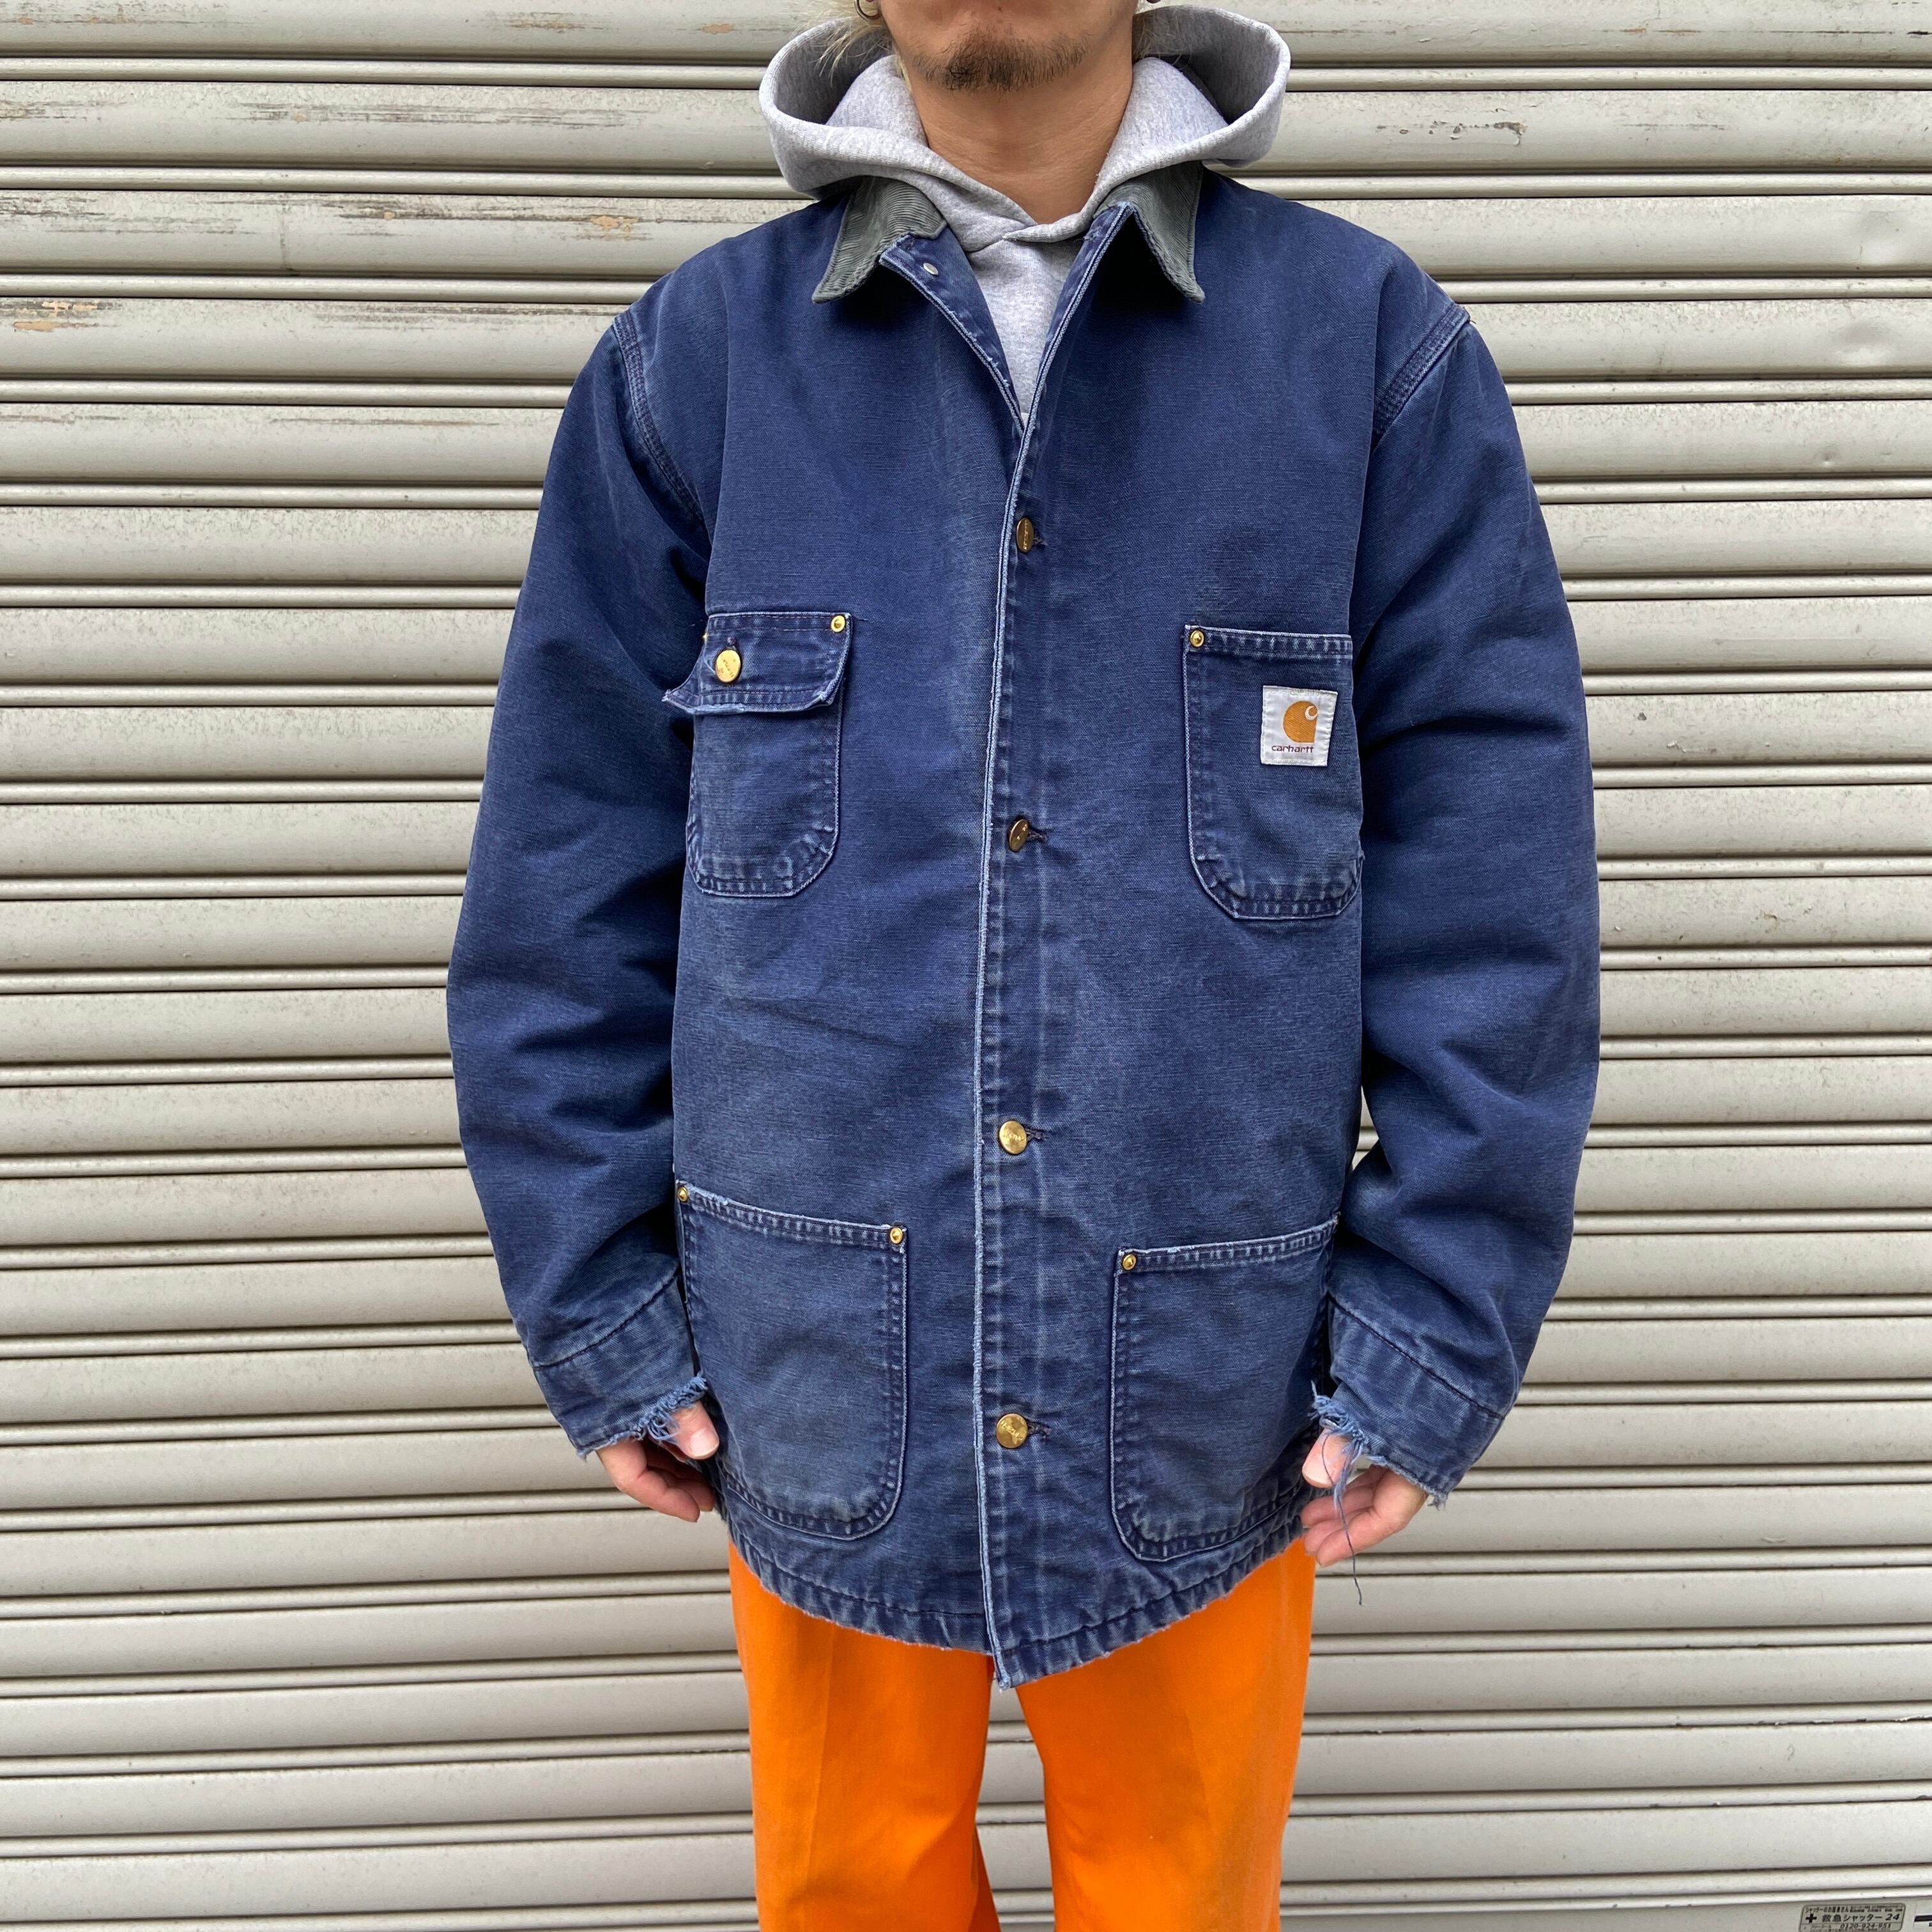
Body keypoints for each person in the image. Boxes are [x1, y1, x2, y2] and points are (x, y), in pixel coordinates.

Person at [444, 0, 1601, 1923]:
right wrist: (601, 1304)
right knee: (848, 1893)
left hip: (1212, 1376)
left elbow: (1499, 897)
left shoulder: (1365, 353)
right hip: (816, 1358)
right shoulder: (700, 366)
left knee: (1183, 1899)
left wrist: (1433, 1325)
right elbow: (562, 888)